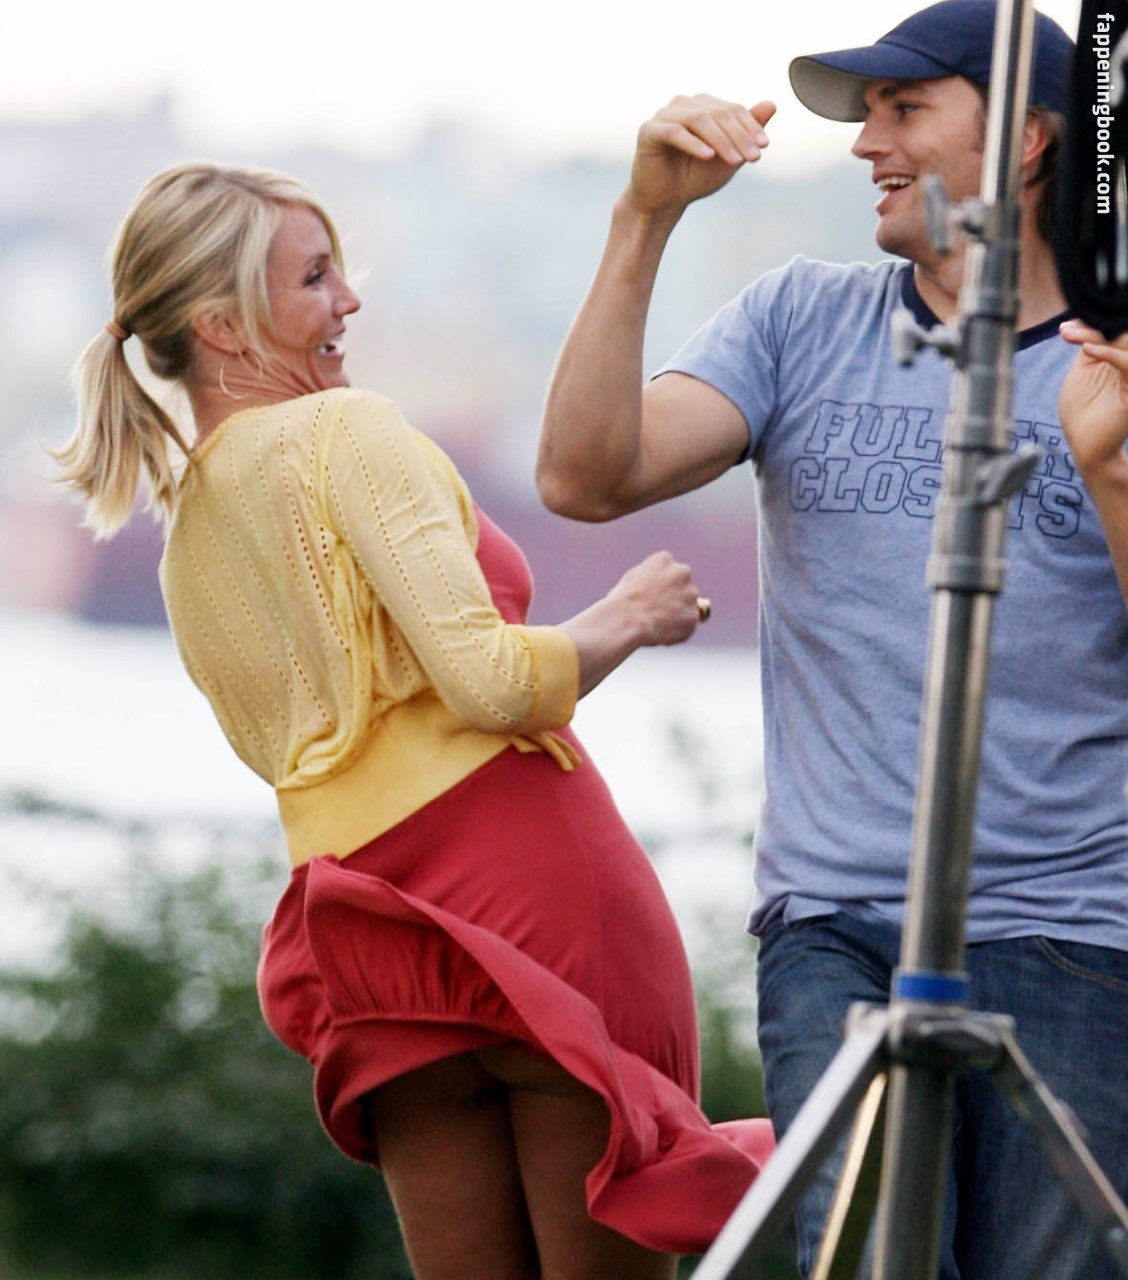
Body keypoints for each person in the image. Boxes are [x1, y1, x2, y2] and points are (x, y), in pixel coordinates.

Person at [51, 162, 775, 1280]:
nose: (348, 299)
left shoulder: (187, 529)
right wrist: (629, 616)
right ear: (222, 325)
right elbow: (491, 686)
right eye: (313, 278)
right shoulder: (345, 432)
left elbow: (288, 750)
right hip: (533, 894)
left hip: (368, 925)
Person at [536, 1, 1128, 1277]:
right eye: (866, 114)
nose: (867, 141)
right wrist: (644, 218)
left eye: (904, 109)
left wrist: (1110, 465)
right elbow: (585, 477)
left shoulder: (1114, 360)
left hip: (1077, 928)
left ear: (1030, 138)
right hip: (837, 921)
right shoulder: (799, 318)